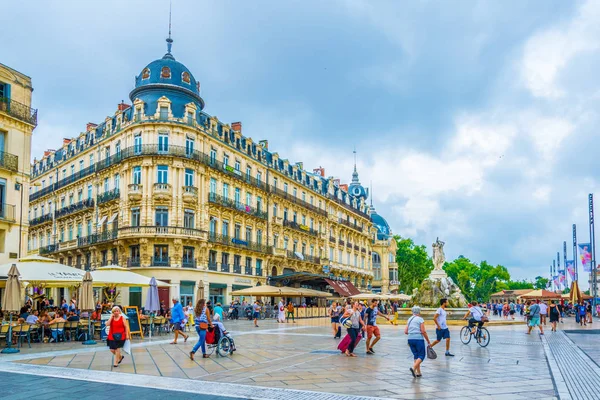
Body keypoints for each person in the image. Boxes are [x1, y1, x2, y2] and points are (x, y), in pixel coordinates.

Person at [405, 306, 431, 378]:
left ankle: (418, 372)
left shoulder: (409, 319)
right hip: (418, 339)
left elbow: (406, 331)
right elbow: (423, 331)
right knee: (422, 355)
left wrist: (412, 332)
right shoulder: (420, 319)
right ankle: (413, 368)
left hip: (410, 339)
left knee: (416, 355)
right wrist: (428, 341)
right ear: (419, 312)